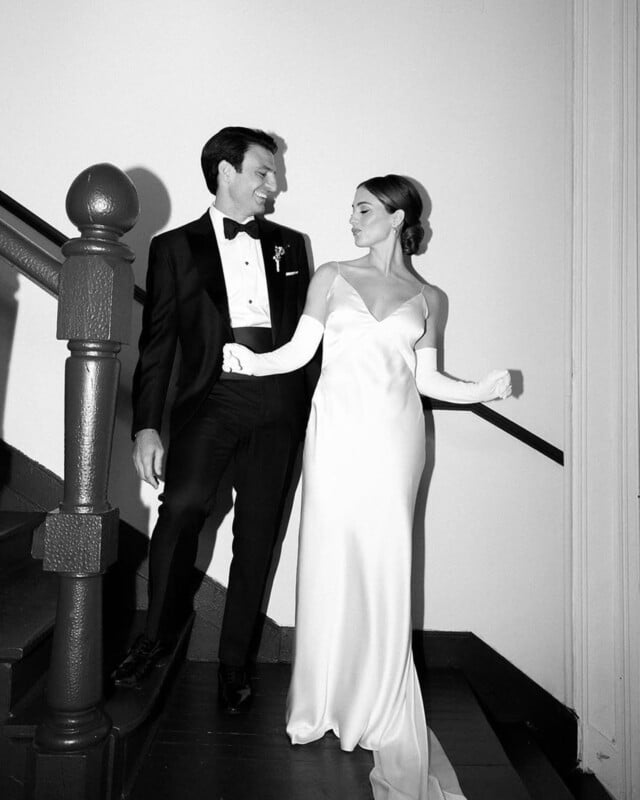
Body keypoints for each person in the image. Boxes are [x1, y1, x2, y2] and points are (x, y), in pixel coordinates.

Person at [222, 174, 511, 799]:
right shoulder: (330, 275)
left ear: (397, 216)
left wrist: (482, 390)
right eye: (351, 209)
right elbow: (300, 353)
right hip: (333, 436)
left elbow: (427, 381)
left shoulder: (430, 296)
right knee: (328, 558)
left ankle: (379, 702)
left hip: (395, 442)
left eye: (362, 209)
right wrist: (250, 361)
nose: (350, 219)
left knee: (384, 566)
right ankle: (320, 701)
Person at [112, 127, 316, 715]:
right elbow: (158, 344)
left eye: (273, 174)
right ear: (226, 171)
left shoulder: (291, 245)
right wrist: (146, 426)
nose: (273, 185)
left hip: (278, 406)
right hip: (212, 401)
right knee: (179, 511)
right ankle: (154, 639)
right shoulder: (175, 247)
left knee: (258, 537)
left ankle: (234, 664)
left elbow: (310, 337)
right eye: (263, 172)